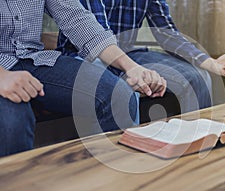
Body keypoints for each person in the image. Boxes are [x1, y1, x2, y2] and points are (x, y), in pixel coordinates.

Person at [0, 0, 167, 157]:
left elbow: (76, 18)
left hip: (33, 59)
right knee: (12, 122)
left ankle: (112, 179)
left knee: (119, 95)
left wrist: (131, 67)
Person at [57, 0, 225, 113]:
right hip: (86, 55)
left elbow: (167, 33)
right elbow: (96, 36)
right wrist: (131, 71)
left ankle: (196, 146)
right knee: (118, 88)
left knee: (197, 77)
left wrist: (210, 63)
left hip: (129, 54)